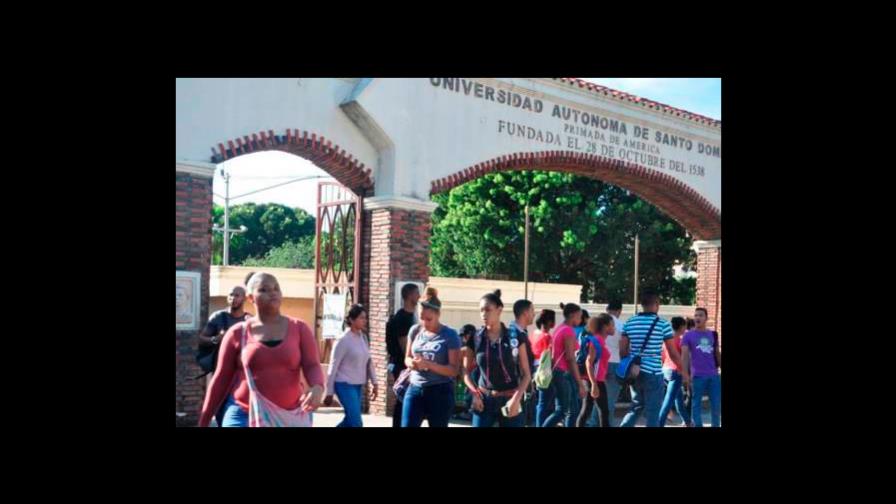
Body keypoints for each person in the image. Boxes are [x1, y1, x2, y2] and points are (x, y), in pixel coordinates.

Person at [199, 272, 325, 427]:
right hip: (243, 415)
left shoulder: (299, 329)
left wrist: (318, 386)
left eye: (276, 288)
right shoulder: (237, 333)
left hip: (289, 415)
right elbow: (220, 379)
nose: (272, 293)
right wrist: (204, 421)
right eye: (264, 290)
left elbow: (312, 365)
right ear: (251, 298)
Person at [464, 290, 532, 427]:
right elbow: (465, 371)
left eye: (488, 310)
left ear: (499, 310)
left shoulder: (515, 337)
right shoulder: (476, 338)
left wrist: (516, 399)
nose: (484, 314)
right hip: (484, 399)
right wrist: (474, 393)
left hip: (510, 398)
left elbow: (526, 374)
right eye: (481, 310)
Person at [619, 291, 685, 428]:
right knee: (653, 412)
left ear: (642, 305)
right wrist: (683, 371)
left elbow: (623, 349)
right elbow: (672, 353)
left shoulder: (630, 322)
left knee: (636, 406)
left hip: (635, 372)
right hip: (653, 372)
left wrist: (629, 366)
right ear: (656, 304)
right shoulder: (663, 324)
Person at [401, 287, 461, 427]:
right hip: (415, 387)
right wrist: (413, 364)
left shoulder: (450, 335)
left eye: (429, 319)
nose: (425, 323)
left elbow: (453, 370)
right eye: (422, 318)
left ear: (438, 314)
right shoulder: (415, 330)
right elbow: (407, 358)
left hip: (439, 391)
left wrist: (428, 364)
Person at [196, 284, 251, 426]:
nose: (233, 298)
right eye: (230, 295)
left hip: (240, 376)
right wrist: (216, 339)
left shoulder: (249, 321)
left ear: (245, 298)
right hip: (220, 372)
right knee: (219, 408)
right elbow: (201, 339)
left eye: (237, 295)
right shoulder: (218, 317)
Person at [323, 304, 378, 427]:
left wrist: (375, 382)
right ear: (352, 320)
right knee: (356, 422)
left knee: (350, 421)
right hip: (343, 384)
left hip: (357, 385)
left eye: (365, 318)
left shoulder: (363, 338)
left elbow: (368, 361)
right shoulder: (343, 340)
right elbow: (333, 366)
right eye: (361, 318)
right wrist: (329, 391)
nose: (364, 321)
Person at [540, 303, 586, 427]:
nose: (581, 319)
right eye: (579, 316)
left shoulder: (560, 328)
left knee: (572, 409)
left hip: (559, 372)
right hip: (563, 373)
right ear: (572, 315)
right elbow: (571, 359)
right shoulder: (568, 331)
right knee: (563, 410)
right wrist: (580, 383)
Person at [385, 283, 420, 427]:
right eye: (417, 293)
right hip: (401, 364)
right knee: (403, 398)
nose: (419, 296)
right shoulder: (403, 318)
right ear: (410, 295)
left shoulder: (411, 316)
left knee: (405, 398)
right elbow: (405, 346)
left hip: (403, 364)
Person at [682, 307, 722, 428]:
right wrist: (685, 375)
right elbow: (684, 357)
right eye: (696, 315)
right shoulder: (688, 336)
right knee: (696, 405)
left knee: (716, 405)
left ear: (706, 318)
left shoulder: (713, 334)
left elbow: (717, 353)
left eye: (700, 315)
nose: (697, 318)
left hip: (713, 375)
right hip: (697, 376)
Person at [577, 313, 613, 427]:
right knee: (603, 411)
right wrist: (594, 384)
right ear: (605, 326)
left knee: (587, 410)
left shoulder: (599, 340)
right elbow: (589, 362)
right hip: (595, 380)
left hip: (594, 380)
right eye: (612, 325)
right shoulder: (597, 340)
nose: (614, 328)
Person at [658, 316, 691, 427]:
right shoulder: (680, 341)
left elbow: (662, 356)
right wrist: (684, 372)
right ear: (681, 327)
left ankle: (688, 422)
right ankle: (659, 424)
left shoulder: (667, 339)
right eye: (685, 326)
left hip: (665, 370)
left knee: (679, 401)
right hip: (676, 371)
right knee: (668, 401)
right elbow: (683, 358)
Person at [509, 298, 537, 426]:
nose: (534, 314)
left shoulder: (522, 332)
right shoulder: (513, 335)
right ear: (525, 313)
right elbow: (515, 363)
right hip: (516, 389)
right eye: (532, 310)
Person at [599, 300, 624, 427]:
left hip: (599, 363)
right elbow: (623, 348)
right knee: (610, 400)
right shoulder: (621, 325)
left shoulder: (598, 323)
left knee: (597, 399)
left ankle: (594, 423)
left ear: (607, 309)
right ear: (619, 311)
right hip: (615, 362)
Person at [532, 309, 557, 427]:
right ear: (549, 321)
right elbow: (551, 356)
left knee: (540, 402)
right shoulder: (547, 337)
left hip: (535, 369)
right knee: (545, 403)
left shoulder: (534, 334)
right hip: (545, 370)